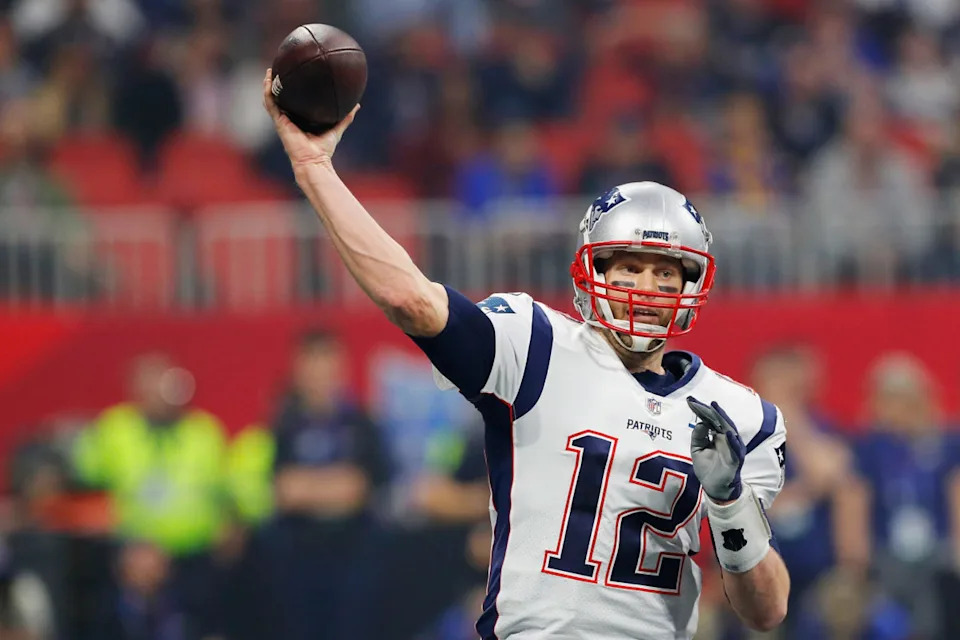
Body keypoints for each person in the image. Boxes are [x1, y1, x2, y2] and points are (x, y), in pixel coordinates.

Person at [262, 70, 790, 639]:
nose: (645, 285)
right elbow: (411, 299)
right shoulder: (535, 345)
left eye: (665, 272)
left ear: (691, 287)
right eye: (629, 267)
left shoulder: (740, 417)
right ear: (593, 272)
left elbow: (766, 610)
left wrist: (731, 502)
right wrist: (315, 170)